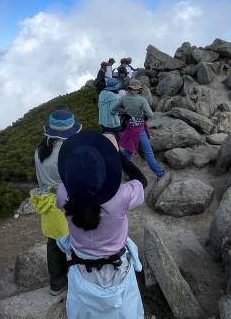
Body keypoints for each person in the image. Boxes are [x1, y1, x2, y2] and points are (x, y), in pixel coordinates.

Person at [56, 131, 148, 319]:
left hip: (81, 269)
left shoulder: (63, 193)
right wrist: (117, 155)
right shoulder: (121, 196)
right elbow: (142, 181)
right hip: (117, 270)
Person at [31, 109, 82, 296]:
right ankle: (81, 280)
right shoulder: (68, 152)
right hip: (66, 201)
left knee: (53, 243)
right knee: (77, 240)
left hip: (46, 202)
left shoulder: (40, 149)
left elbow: (40, 179)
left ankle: (57, 283)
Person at [117, 79, 166, 178]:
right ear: (138, 89)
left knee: (128, 151)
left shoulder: (123, 98)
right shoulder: (142, 100)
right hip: (139, 127)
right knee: (148, 152)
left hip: (128, 127)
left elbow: (113, 109)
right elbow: (150, 114)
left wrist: (126, 112)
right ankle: (160, 174)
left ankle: (124, 173)